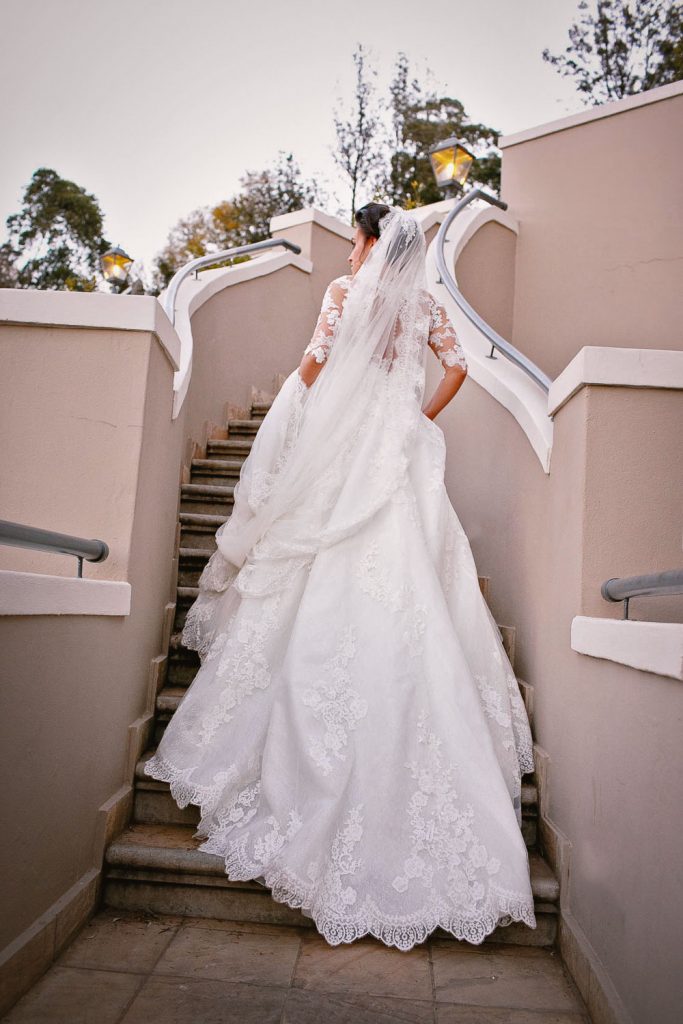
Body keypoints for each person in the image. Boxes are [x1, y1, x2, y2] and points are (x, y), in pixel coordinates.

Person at [144, 202, 537, 951]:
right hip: (396, 448)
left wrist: (308, 423)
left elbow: (314, 365)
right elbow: (458, 365)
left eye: (356, 243)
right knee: (418, 570)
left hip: (347, 451)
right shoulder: (423, 302)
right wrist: (415, 414)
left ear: (363, 241)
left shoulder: (340, 294)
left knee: (317, 567)